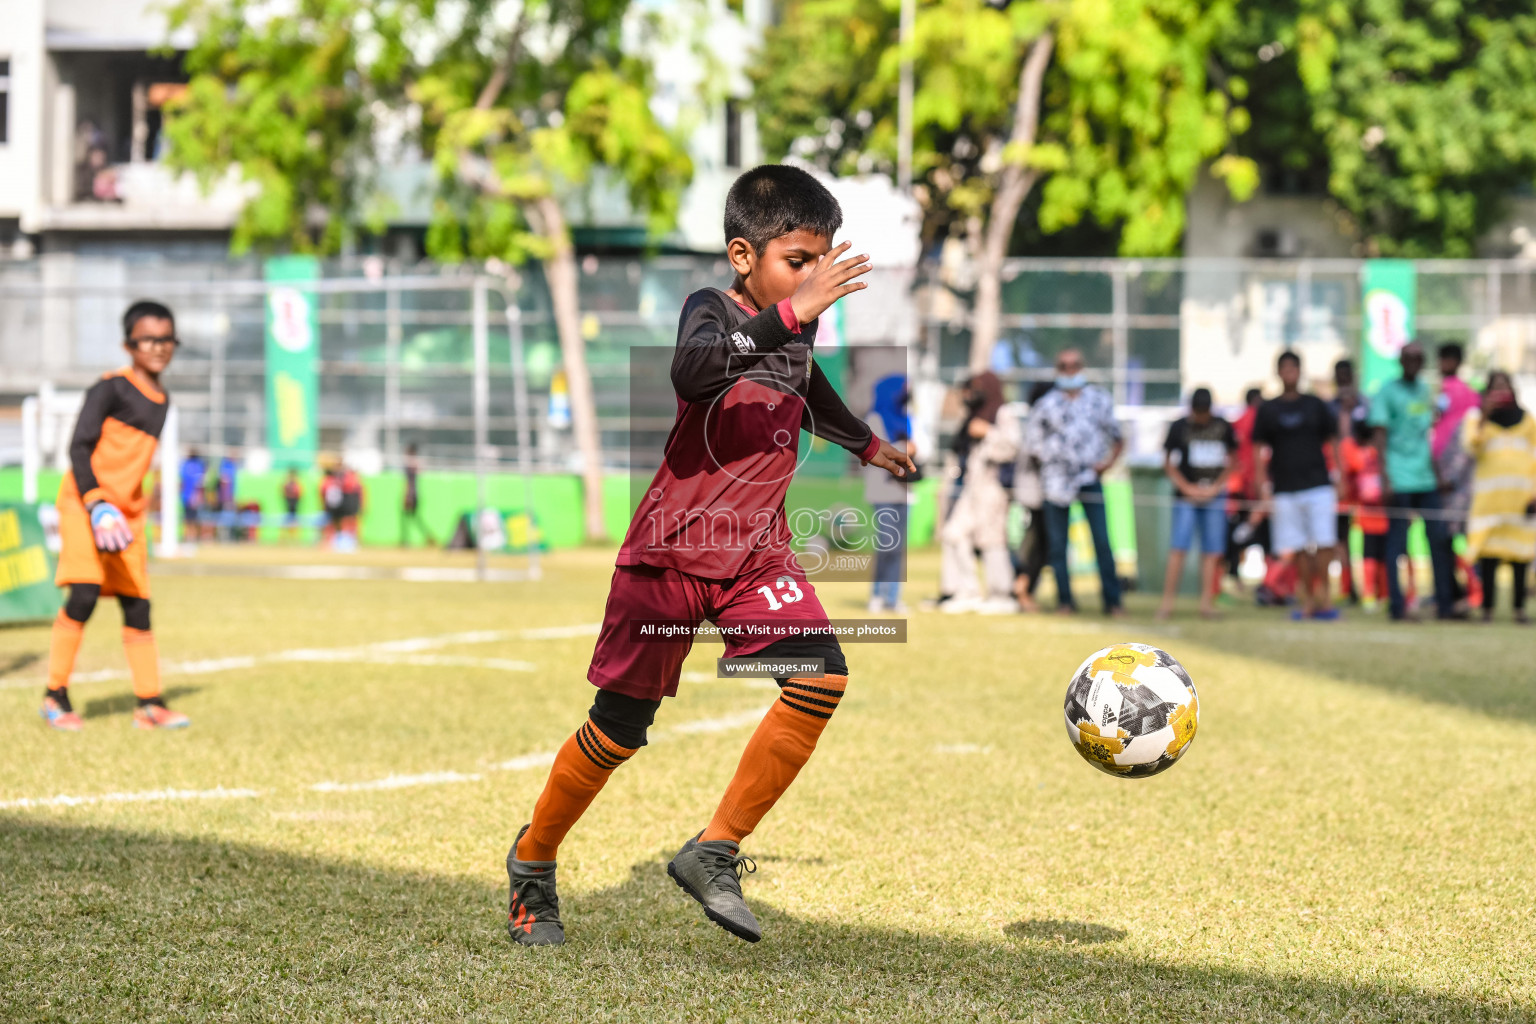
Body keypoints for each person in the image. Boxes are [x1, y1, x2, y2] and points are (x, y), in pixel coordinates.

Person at [504, 164, 914, 947]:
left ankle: (714, 849)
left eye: (821, 258)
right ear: (742, 255)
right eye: (799, 259)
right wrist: (793, 311)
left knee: (821, 676)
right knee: (619, 730)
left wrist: (866, 443)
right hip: (670, 553)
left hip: (758, 554)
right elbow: (691, 374)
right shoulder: (711, 310)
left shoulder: (799, 319)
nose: (814, 275)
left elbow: (806, 381)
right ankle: (533, 860)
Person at [40, 300, 191, 731]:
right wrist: (96, 502)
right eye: (149, 339)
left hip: (128, 516)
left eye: (166, 339)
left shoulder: (163, 400)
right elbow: (79, 447)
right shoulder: (110, 388)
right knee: (84, 594)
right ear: (129, 344)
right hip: (86, 504)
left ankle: (149, 704)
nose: (159, 347)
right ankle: (55, 696)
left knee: (138, 605)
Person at [1026, 349, 1125, 616]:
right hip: (1055, 482)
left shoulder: (1099, 399)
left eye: (1075, 365)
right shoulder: (1046, 405)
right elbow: (1033, 446)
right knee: (1058, 546)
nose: (1070, 371)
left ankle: (1112, 602)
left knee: (1102, 542)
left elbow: (1118, 436)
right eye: (1064, 366)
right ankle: (1065, 601)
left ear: (1083, 367)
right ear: (1058, 369)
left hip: (1090, 478)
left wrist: (1107, 464)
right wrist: (1048, 469)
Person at [1368, 341, 1459, 621]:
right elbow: (1380, 436)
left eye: (1418, 358)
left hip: (1425, 477)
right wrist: (1385, 478)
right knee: (1397, 544)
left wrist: (1439, 475)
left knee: (1439, 541)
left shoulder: (1424, 390)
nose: (1413, 362)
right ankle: (1397, 606)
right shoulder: (1387, 391)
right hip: (1398, 476)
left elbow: (1426, 437)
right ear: (1400, 360)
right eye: (1408, 357)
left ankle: (1445, 604)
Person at [1251, 350, 1341, 621]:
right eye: (1284, 367)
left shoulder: (1315, 405)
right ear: (1278, 372)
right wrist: (1260, 481)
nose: (1289, 372)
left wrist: (1342, 475)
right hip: (1285, 488)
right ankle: (1308, 598)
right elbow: (1257, 447)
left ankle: (1326, 595)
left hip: (1318, 485)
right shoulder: (1268, 409)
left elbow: (1334, 441)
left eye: (1294, 367)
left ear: (1300, 371)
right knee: (1298, 547)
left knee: (1324, 542)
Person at [939, 371, 1020, 614]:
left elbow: (1013, 446)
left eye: (977, 388)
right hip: (972, 487)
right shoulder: (974, 414)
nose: (972, 394)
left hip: (993, 487)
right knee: (954, 533)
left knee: (992, 540)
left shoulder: (1003, 413)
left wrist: (988, 432)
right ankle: (968, 591)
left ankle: (1001, 595)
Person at [1463, 371, 1536, 623]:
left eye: (1505, 387)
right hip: (1489, 504)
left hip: (1520, 502)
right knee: (1489, 558)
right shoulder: (1476, 418)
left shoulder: (1527, 420)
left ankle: (1519, 609)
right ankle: (1488, 609)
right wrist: (1484, 414)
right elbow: (1472, 445)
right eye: (1495, 388)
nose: (1501, 392)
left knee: (1520, 558)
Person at [1158, 388, 1236, 619]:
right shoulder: (1179, 426)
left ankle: (1206, 604)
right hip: (1185, 498)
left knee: (1211, 552)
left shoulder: (1223, 427)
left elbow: (1233, 460)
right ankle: (1167, 603)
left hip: (1214, 497)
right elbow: (1168, 462)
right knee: (1178, 548)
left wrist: (1216, 486)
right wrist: (1186, 487)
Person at [1434, 342, 1481, 609]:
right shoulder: (1472, 395)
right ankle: (1463, 590)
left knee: (1449, 536)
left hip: (1451, 475)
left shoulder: (1449, 391)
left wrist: (1446, 475)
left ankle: (1468, 590)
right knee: (1459, 535)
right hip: (1464, 473)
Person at [864, 374, 914, 613]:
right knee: (886, 545)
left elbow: (918, 449)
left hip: (904, 491)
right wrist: (907, 449)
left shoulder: (906, 418)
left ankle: (893, 597)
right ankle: (877, 594)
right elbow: (881, 449)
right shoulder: (874, 418)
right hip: (882, 492)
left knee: (899, 548)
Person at [1327, 359, 1368, 604]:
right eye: (1339, 375)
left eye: (1347, 375)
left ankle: (1372, 588)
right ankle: (1348, 585)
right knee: (1340, 537)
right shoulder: (1329, 408)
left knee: (1370, 535)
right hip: (1340, 481)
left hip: (1365, 481)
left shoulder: (1365, 405)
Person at [1011, 381, 1052, 614]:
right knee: (1038, 544)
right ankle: (1022, 588)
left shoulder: (1034, 420)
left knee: (1037, 542)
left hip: (1033, 492)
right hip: (1037, 493)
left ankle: (1023, 588)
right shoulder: (1040, 421)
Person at [401, 444, 435, 547]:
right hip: (414, 494)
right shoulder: (414, 464)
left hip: (412, 494)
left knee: (410, 518)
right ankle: (426, 536)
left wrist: (408, 496)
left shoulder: (411, 465)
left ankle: (408, 540)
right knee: (412, 518)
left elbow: (410, 482)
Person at [179, 447, 205, 543]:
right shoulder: (187, 465)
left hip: (191, 496)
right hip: (186, 496)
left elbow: (199, 483)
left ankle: (192, 539)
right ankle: (188, 538)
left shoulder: (197, 465)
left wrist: (197, 496)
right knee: (188, 519)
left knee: (192, 519)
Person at [282, 469, 304, 542]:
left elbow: (299, 492)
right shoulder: (289, 485)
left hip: (293, 505)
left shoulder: (294, 485)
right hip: (290, 505)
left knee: (293, 521)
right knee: (289, 521)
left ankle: (294, 537)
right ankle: (286, 537)